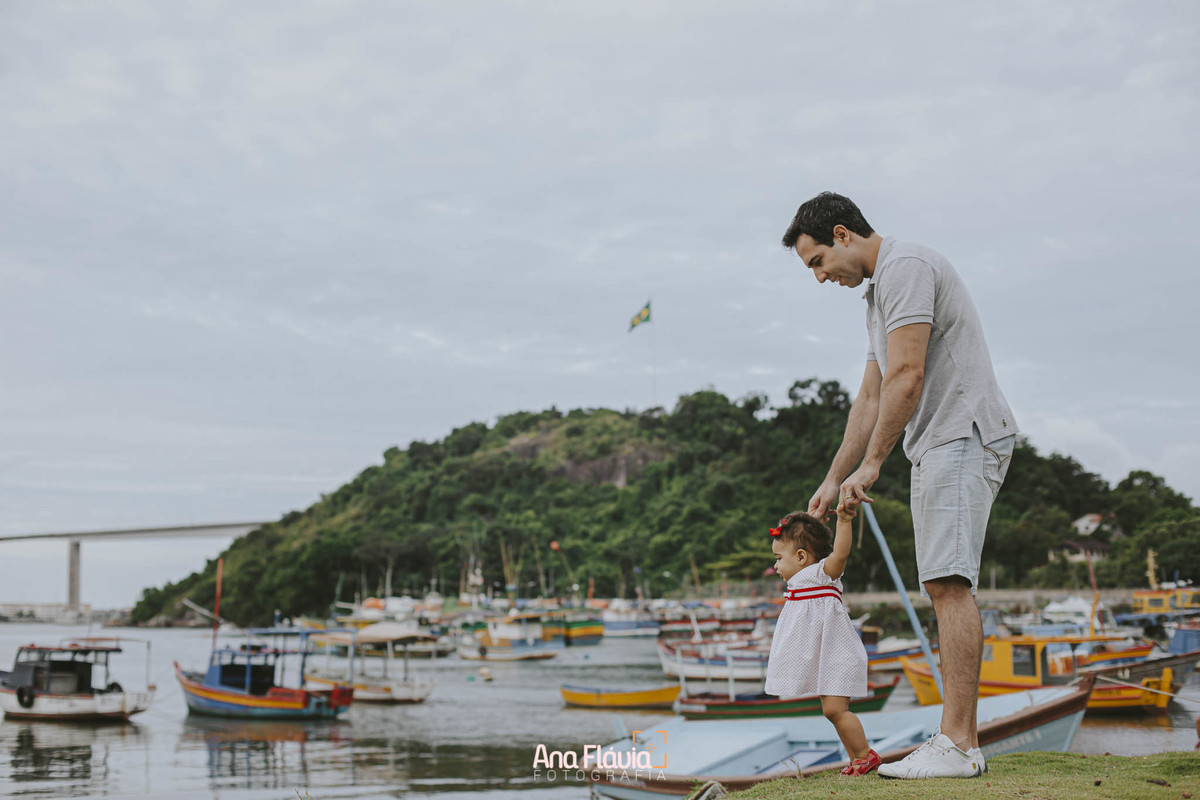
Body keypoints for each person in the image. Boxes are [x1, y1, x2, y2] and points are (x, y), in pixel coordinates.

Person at [781, 191, 1016, 779]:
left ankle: (957, 745)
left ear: (842, 234)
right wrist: (836, 477)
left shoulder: (905, 267)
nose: (818, 277)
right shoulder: (877, 298)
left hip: (960, 433)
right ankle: (962, 740)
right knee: (941, 583)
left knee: (948, 583)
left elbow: (908, 376)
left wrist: (872, 465)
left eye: (816, 262)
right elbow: (870, 397)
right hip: (935, 443)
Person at [764, 506, 880, 776]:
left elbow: (840, 553)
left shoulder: (821, 575)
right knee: (832, 711)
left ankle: (864, 756)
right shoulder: (798, 585)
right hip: (826, 657)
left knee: (836, 710)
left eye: (779, 558)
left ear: (802, 557)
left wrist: (843, 521)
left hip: (838, 654)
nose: (776, 565)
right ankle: (857, 760)